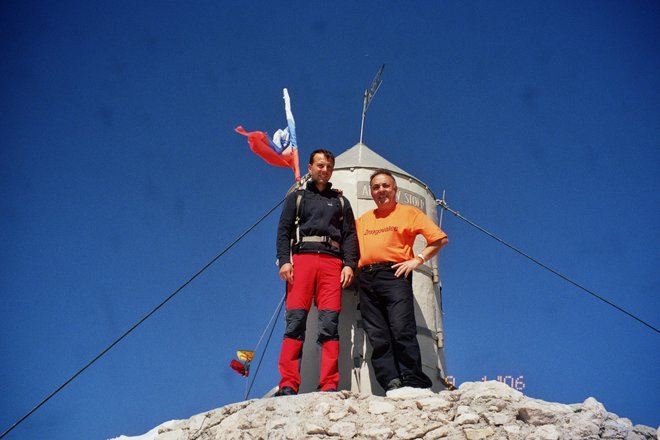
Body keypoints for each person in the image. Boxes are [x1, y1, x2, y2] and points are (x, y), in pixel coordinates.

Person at [355, 168, 448, 392]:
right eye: (376, 187)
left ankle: (413, 380)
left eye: (385, 185)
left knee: (401, 328)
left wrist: (417, 260)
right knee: (377, 334)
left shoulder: (409, 213)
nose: (381, 190)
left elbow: (439, 239)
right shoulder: (362, 220)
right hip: (366, 278)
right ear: (371, 192)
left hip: (394, 273)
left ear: (395, 189)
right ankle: (391, 383)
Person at [274, 149, 358, 396]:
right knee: (295, 322)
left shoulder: (341, 202)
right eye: (320, 165)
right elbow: (284, 230)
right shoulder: (297, 197)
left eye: (329, 167)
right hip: (301, 260)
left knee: (329, 324)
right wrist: (283, 261)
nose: (325, 170)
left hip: (332, 264)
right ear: (310, 167)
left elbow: (350, 235)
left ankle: (329, 384)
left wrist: (349, 264)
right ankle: (288, 383)